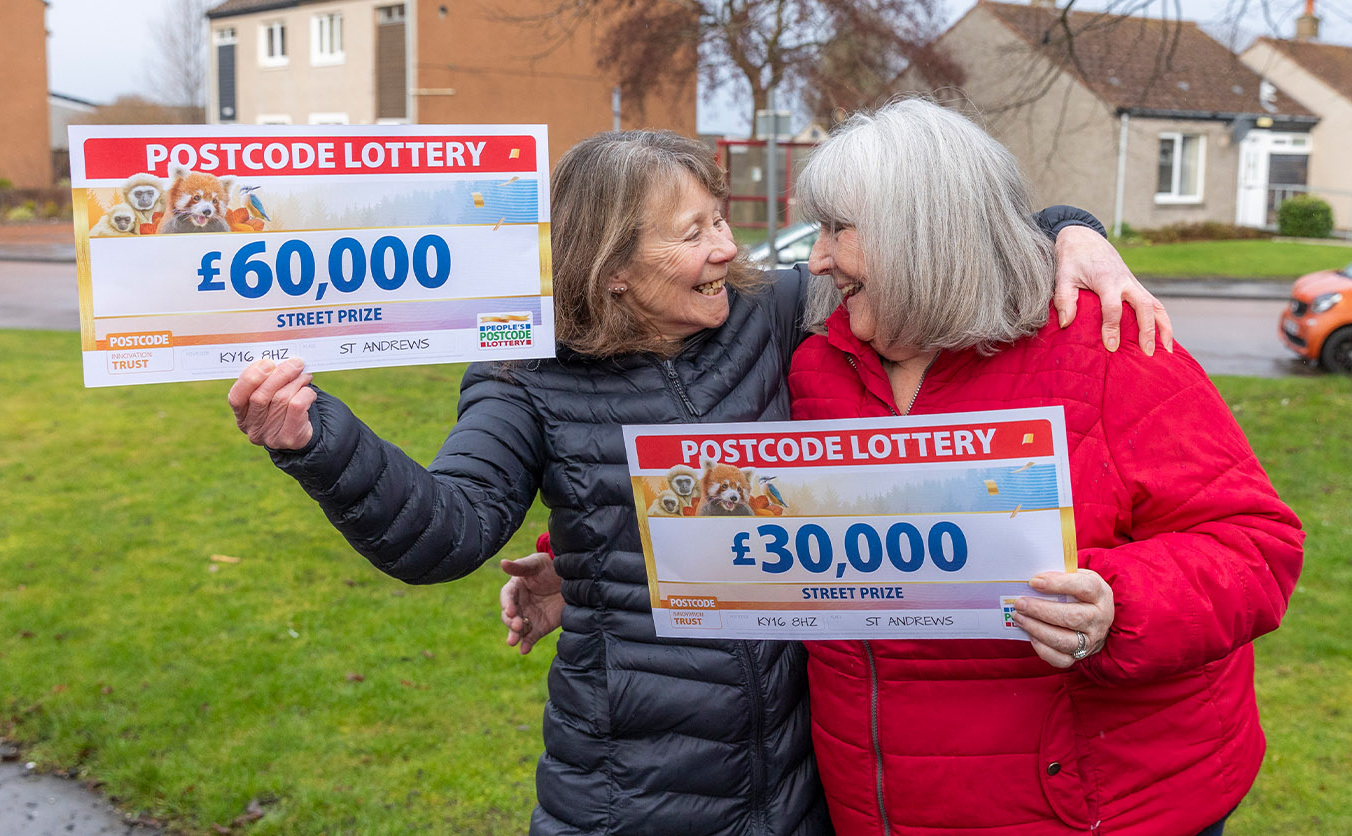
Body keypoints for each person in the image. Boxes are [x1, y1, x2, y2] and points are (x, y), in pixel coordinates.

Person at [228, 128, 1169, 836]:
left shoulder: (770, 315)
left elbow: (925, 245)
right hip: (634, 785)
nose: (727, 247)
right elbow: (448, 531)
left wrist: (1066, 229)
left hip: (798, 775)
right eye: (693, 233)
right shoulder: (525, 377)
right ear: (616, 270)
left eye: (721, 219)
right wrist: (318, 440)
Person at [779, 99, 1303, 835]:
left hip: (1094, 806)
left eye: (838, 230)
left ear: (922, 231)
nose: (817, 260)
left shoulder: (1106, 344)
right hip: (882, 807)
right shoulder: (815, 365)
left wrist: (1117, 608)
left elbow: (1256, 544)